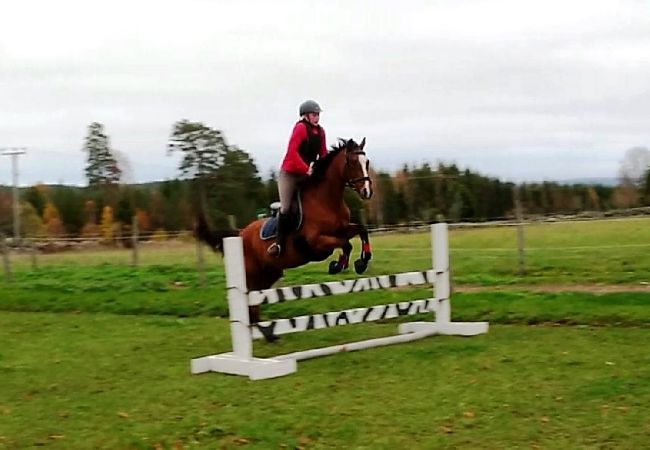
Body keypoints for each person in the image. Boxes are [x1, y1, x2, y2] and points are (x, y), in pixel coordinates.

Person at [267, 99, 328, 257]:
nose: (317, 117)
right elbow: (292, 153)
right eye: (314, 114)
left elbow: (323, 154)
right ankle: (279, 244)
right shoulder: (300, 128)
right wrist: (306, 169)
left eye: (318, 114)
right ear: (306, 116)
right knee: (287, 207)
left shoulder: (321, 132)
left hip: (306, 173)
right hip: (289, 173)